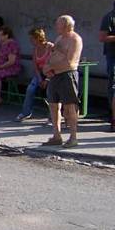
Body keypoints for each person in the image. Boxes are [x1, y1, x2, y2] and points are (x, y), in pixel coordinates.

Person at [43, 15, 83, 148]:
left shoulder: (75, 39)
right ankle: (57, 135)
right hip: (55, 75)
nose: (56, 26)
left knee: (70, 106)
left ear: (66, 25)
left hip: (67, 75)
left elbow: (70, 62)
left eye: (58, 24)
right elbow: (56, 55)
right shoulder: (59, 38)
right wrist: (48, 66)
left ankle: (73, 137)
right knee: (53, 105)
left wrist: (51, 66)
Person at [15, 27, 53, 121]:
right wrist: (40, 79)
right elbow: (35, 67)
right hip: (40, 73)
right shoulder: (35, 50)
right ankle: (26, 112)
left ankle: (52, 114)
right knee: (30, 89)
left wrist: (47, 80)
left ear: (38, 38)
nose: (31, 41)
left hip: (51, 73)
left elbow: (54, 64)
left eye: (32, 38)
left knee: (50, 91)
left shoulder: (50, 47)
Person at [99, 0, 115, 132]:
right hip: (113, 56)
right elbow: (102, 37)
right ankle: (113, 117)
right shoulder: (109, 17)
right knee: (113, 86)